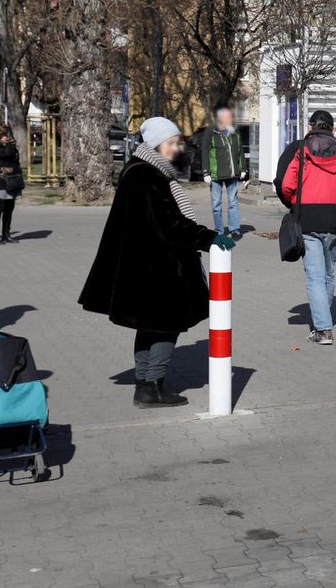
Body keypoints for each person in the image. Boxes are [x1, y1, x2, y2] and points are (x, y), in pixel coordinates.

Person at [79, 117, 236, 408]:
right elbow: (171, 224)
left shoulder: (141, 170)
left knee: (149, 325)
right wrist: (210, 238)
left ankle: (144, 385)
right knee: (166, 324)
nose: (179, 148)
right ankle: (152, 385)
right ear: (158, 145)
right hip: (158, 267)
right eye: (174, 143)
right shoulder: (147, 175)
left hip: (145, 264)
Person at [273, 110, 336, 345]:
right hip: (334, 218)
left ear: (311, 126)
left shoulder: (301, 150)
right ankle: (324, 318)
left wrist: (296, 202)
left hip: (308, 218)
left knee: (314, 276)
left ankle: (323, 330)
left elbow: (286, 185)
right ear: (332, 129)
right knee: (329, 271)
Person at [201, 107, 245, 237]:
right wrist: (206, 172)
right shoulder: (211, 132)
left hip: (232, 174)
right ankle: (219, 231)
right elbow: (205, 151)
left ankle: (234, 229)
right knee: (216, 205)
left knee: (233, 203)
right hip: (215, 175)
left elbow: (240, 150)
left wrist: (243, 168)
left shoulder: (234, 132)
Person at [0, 123, 22, 244]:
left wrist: (12, 168)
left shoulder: (12, 147)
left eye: (7, 135)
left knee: (9, 208)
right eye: (2, 135)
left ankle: (6, 234)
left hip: (12, 181)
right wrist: (9, 148)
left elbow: (15, 161)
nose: (5, 137)